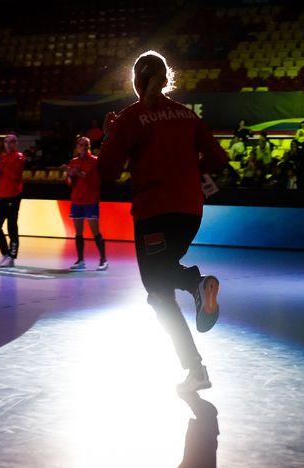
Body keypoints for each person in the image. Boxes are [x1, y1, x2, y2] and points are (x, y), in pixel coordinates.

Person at [98, 51, 228, 396]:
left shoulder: (131, 117)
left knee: (155, 283)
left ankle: (196, 283)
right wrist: (188, 166)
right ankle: (195, 370)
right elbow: (219, 158)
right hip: (190, 212)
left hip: (154, 211)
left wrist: (110, 136)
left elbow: (106, 173)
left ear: (136, 81)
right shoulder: (187, 115)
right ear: (166, 77)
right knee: (159, 293)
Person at [64, 136, 107, 271]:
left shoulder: (94, 161)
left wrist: (75, 171)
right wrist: (69, 175)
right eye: (81, 144)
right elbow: (70, 183)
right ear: (77, 147)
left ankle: (103, 260)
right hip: (77, 200)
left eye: (86, 144)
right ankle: (80, 260)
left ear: (89, 146)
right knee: (78, 233)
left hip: (91, 201)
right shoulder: (73, 161)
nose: (84, 147)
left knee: (95, 232)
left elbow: (85, 176)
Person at [0, 133, 26, 267]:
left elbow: (16, 176)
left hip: (13, 196)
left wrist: (1, 165)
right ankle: (5, 253)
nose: (7, 144)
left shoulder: (19, 157)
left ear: (15, 143)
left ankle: (12, 257)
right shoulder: (3, 157)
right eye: (6, 142)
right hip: (2, 195)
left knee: (11, 227)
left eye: (10, 142)